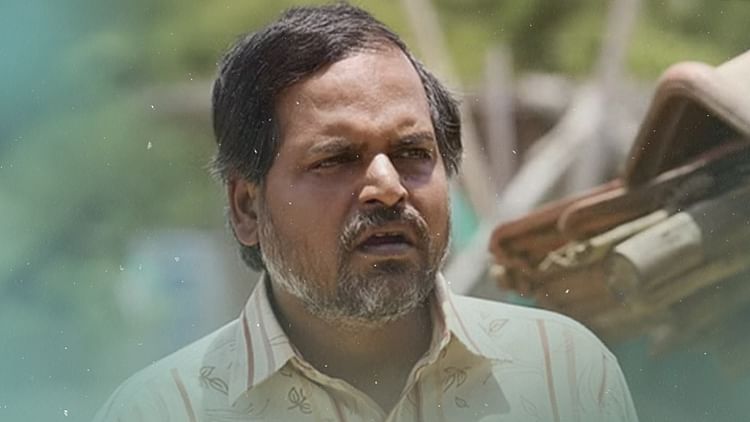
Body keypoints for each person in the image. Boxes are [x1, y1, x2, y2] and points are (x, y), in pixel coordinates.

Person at [94, 4, 639, 421]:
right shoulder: (164, 409)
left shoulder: (564, 376)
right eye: (336, 159)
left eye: (412, 153)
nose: (388, 186)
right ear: (246, 208)